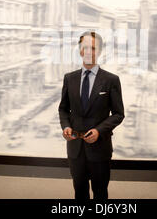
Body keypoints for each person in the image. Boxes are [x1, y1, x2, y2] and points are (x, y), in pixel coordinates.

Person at [58, 31, 124, 201]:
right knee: (79, 192)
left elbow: (118, 114)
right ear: (80, 50)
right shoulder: (69, 78)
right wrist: (65, 126)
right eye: (84, 47)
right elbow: (63, 109)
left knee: (100, 193)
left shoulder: (111, 80)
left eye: (93, 48)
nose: (88, 52)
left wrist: (99, 130)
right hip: (75, 149)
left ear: (100, 51)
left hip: (100, 149)